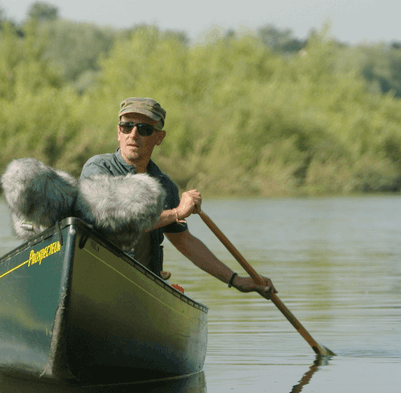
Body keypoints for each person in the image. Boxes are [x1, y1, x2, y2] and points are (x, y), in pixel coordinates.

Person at [80, 97, 273, 297]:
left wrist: (237, 281)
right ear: (119, 132)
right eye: (127, 127)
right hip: (97, 278)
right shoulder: (98, 168)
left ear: (159, 137)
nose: (134, 134)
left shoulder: (165, 187)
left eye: (144, 129)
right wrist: (178, 212)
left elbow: (184, 241)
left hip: (140, 288)